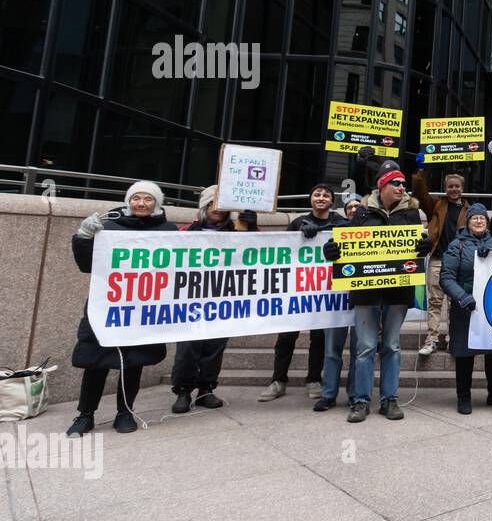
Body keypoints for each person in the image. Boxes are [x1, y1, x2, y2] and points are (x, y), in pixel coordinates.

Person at [66, 182, 179, 435]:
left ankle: (125, 412)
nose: (141, 203)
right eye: (136, 198)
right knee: (96, 362)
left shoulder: (169, 230)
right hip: (108, 306)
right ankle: (85, 415)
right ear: (128, 201)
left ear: (157, 203)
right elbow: (86, 265)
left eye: (148, 199)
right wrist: (84, 237)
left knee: (133, 362)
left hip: (142, 309)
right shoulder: (107, 227)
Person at [324, 162, 431, 422]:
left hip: (397, 292)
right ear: (382, 185)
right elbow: (344, 241)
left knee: (392, 345)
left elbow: (417, 249)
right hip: (366, 293)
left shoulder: (412, 214)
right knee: (365, 347)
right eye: (397, 183)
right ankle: (361, 401)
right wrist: (331, 250)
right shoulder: (361, 214)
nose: (402, 187)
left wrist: (424, 247)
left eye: (404, 184)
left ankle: (389, 399)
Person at [169, 186, 258, 415]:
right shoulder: (187, 231)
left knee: (214, 346)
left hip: (222, 297)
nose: (218, 209)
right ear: (204, 206)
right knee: (188, 346)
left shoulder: (237, 231)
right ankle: (183, 390)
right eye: (213, 204)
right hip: (192, 298)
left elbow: (256, 252)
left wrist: (252, 228)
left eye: (223, 205)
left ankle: (206, 388)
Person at [259, 184, 350, 403]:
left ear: (331, 201)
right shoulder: (298, 223)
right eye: (317, 194)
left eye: (326, 195)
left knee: (319, 338)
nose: (321, 198)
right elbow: (283, 252)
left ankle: (313, 380)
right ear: (310, 199)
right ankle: (278, 381)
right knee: (286, 336)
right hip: (298, 290)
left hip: (324, 291)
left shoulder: (339, 223)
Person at [439, 203, 492, 415]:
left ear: (487, 222)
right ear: (468, 222)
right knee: (464, 353)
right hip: (465, 307)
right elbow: (446, 277)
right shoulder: (457, 245)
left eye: (482, 218)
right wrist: (462, 297)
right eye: (474, 218)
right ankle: (464, 396)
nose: (479, 221)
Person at [412, 170, 467, 356]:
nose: (453, 189)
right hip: (438, 259)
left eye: (457, 186)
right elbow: (419, 193)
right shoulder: (436, 205)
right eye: (450, 186)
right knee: (435, 302)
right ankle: (432, 340)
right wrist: (420, 172)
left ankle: (453, 339)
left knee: (455, 303)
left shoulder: (470, 209)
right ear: (445, 188)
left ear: (462, 188)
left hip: (458, 263)